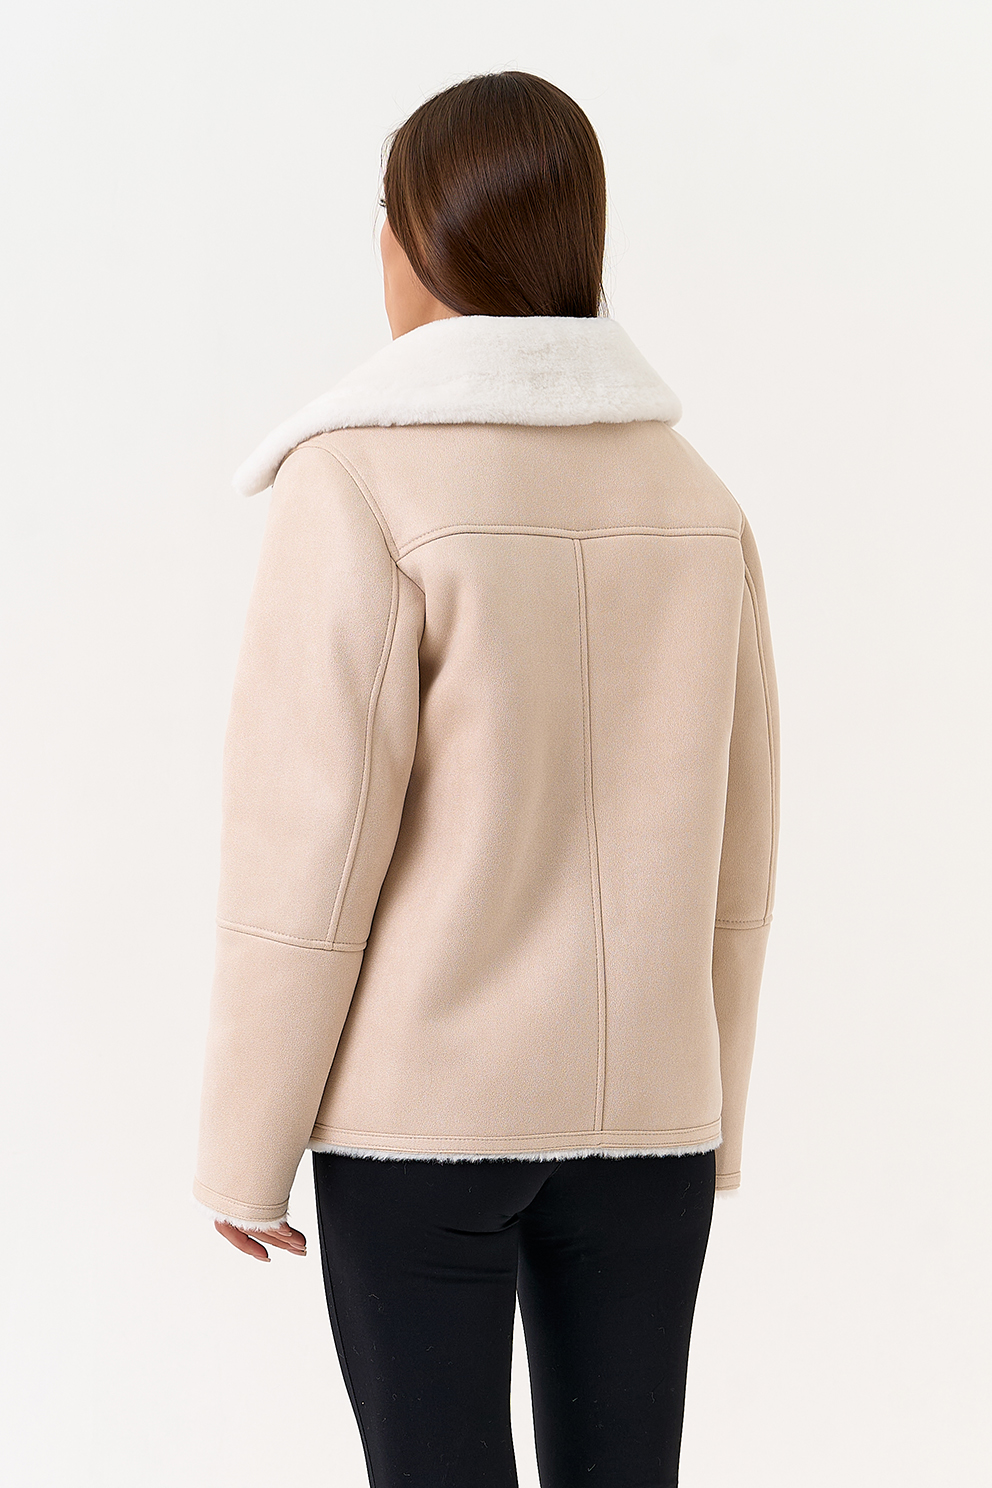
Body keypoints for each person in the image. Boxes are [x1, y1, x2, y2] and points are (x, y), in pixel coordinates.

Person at [193, 70, 781, 1488]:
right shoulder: (697, 499)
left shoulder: (360, 484)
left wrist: (244, 1147)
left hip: (424, 1122)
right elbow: (740, 852)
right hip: (649, 1116)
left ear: (420, 241)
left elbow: (309, 850)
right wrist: (709, 1106)